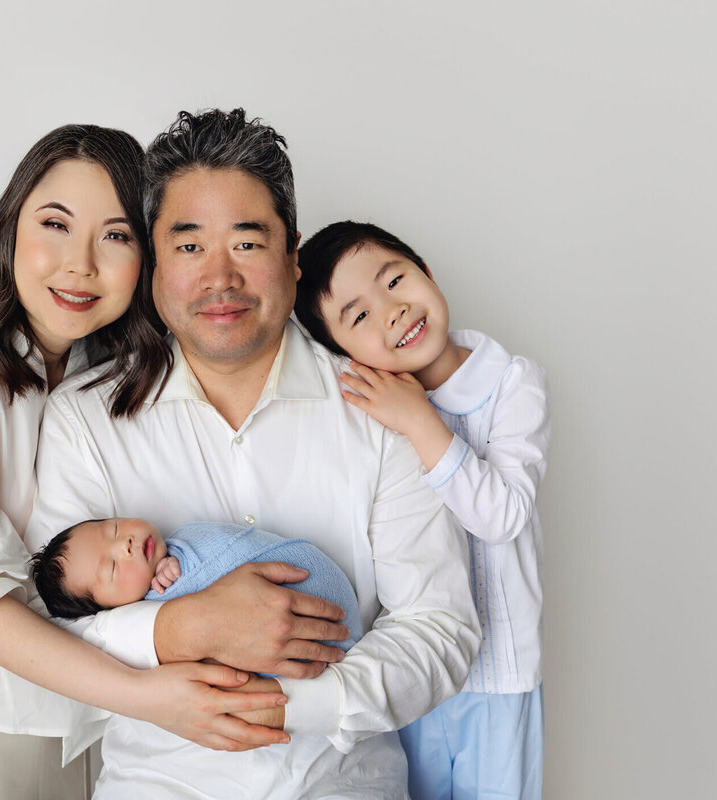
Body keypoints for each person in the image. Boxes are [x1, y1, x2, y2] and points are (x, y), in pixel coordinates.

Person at [26, 109, 480, 799]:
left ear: (293, 255)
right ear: (153, 263)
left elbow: (440, 626)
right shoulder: (82, 422)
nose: (220, 277)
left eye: (246, 243)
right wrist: (181, 627)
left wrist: (299, 704)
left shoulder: (385, 410)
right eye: (188, 246)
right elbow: (54, 631)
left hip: (343, 781)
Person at [0, 124, 290, 800]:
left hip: (77, 725)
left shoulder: (104, 376)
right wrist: (147, 692)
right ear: (10, 225)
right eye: (55, 224)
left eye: (115, 236)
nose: (80, 264)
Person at [294, 220, 550, 799]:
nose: (392, 312)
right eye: (358, 316)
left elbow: (503, 515)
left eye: (396, 280)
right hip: (414, 672)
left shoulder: (513, 384)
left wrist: (420, 421)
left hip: (499, 679)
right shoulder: (365, 414)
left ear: (427, 273)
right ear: (341, 353)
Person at [29, 518, 363, 665]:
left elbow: (216, 551)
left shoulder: (182, 542)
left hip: (316, 592)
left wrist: (177, 563)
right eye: (112, 568)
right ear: (110, 609)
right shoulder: (145, 621)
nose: (125, 544)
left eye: (113, 528)